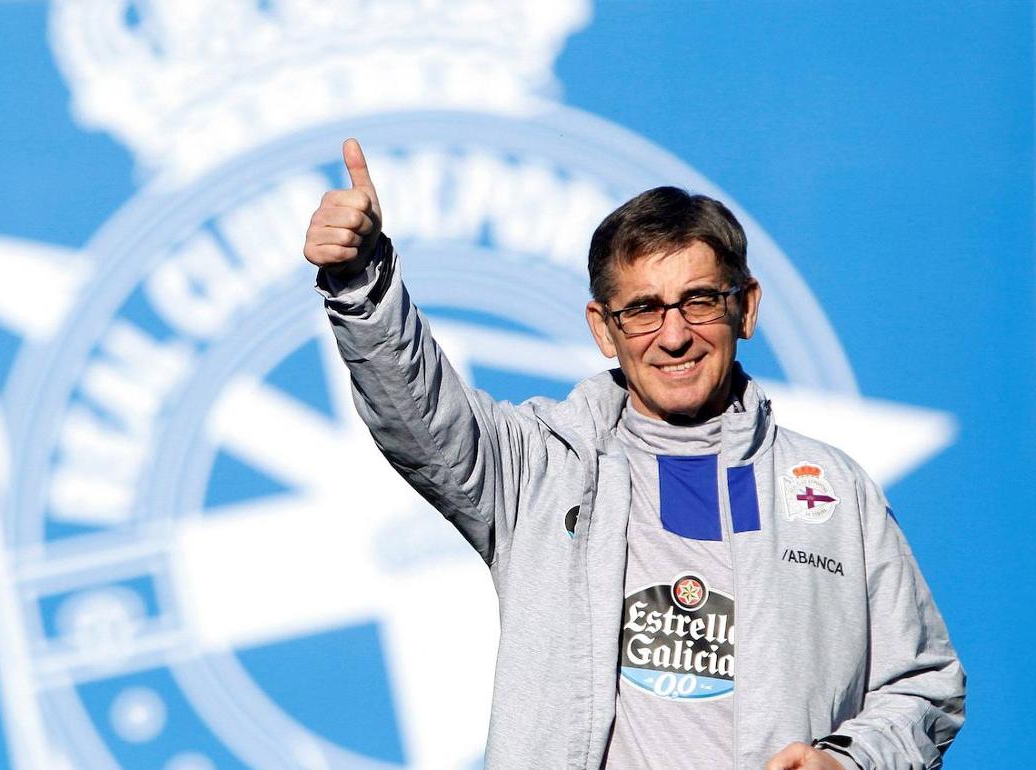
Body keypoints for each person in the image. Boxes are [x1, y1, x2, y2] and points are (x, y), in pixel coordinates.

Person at [303, 138, 965, 769]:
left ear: (748, 307)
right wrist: (361, 281)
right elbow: (420, 418)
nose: (673, 335)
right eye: (644, 309)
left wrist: (848, 762)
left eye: (700, 301)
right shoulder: (541, 467)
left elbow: (923, 687)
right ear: (603, 328)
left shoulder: (833, 490)